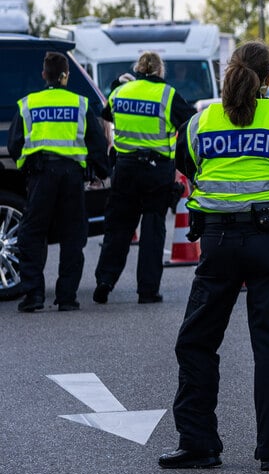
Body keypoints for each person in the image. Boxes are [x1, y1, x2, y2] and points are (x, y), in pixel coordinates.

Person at [158, 41, 269, 471]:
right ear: (268, 78)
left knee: (196, 342)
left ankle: (198, 442)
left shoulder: (201, 121)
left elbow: (189, 167)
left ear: (228, 72)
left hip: (216, 245)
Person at [8, 51, 110, 312]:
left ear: (44, 75)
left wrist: (27, 166)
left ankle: (34, 296)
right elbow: (96, 143)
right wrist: (102, 172)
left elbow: (14, 144)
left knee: (31, 234)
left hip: (41, 176)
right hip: (72, 177)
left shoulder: (28, 104)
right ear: (66, 76)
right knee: (73, 235)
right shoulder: (80, 103)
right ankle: (66, 297)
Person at [92, 52, 196, 305]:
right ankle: (147, 290)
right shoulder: (167, 95)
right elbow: (191, 120)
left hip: (125, 169)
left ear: (137, 69)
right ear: (160, 71)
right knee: (152, 231)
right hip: (156, 171)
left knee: (118, 229)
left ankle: (105, 281)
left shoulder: (121, 92)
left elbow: (106, 115)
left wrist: (120, 84)